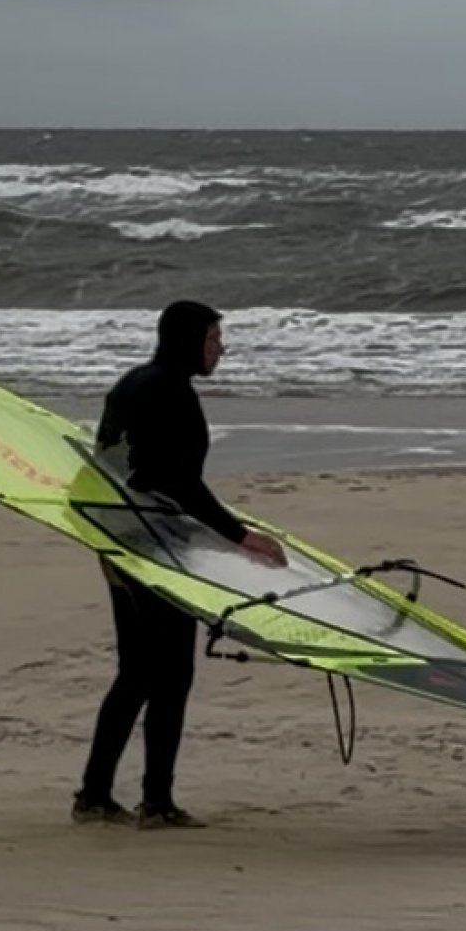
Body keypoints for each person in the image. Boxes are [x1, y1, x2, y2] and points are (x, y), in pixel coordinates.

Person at [74, 299, 284, 830]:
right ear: (189, 340)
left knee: (138, 673)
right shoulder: (171, 393)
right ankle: (156, 802)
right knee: (169, 675)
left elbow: (114, 467)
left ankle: (96, 796)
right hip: (156, 549)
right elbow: (179, 483)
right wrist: (240, 536)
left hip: (118, 541)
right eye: (214, 339)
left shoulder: (133, 384)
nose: (221, 348)